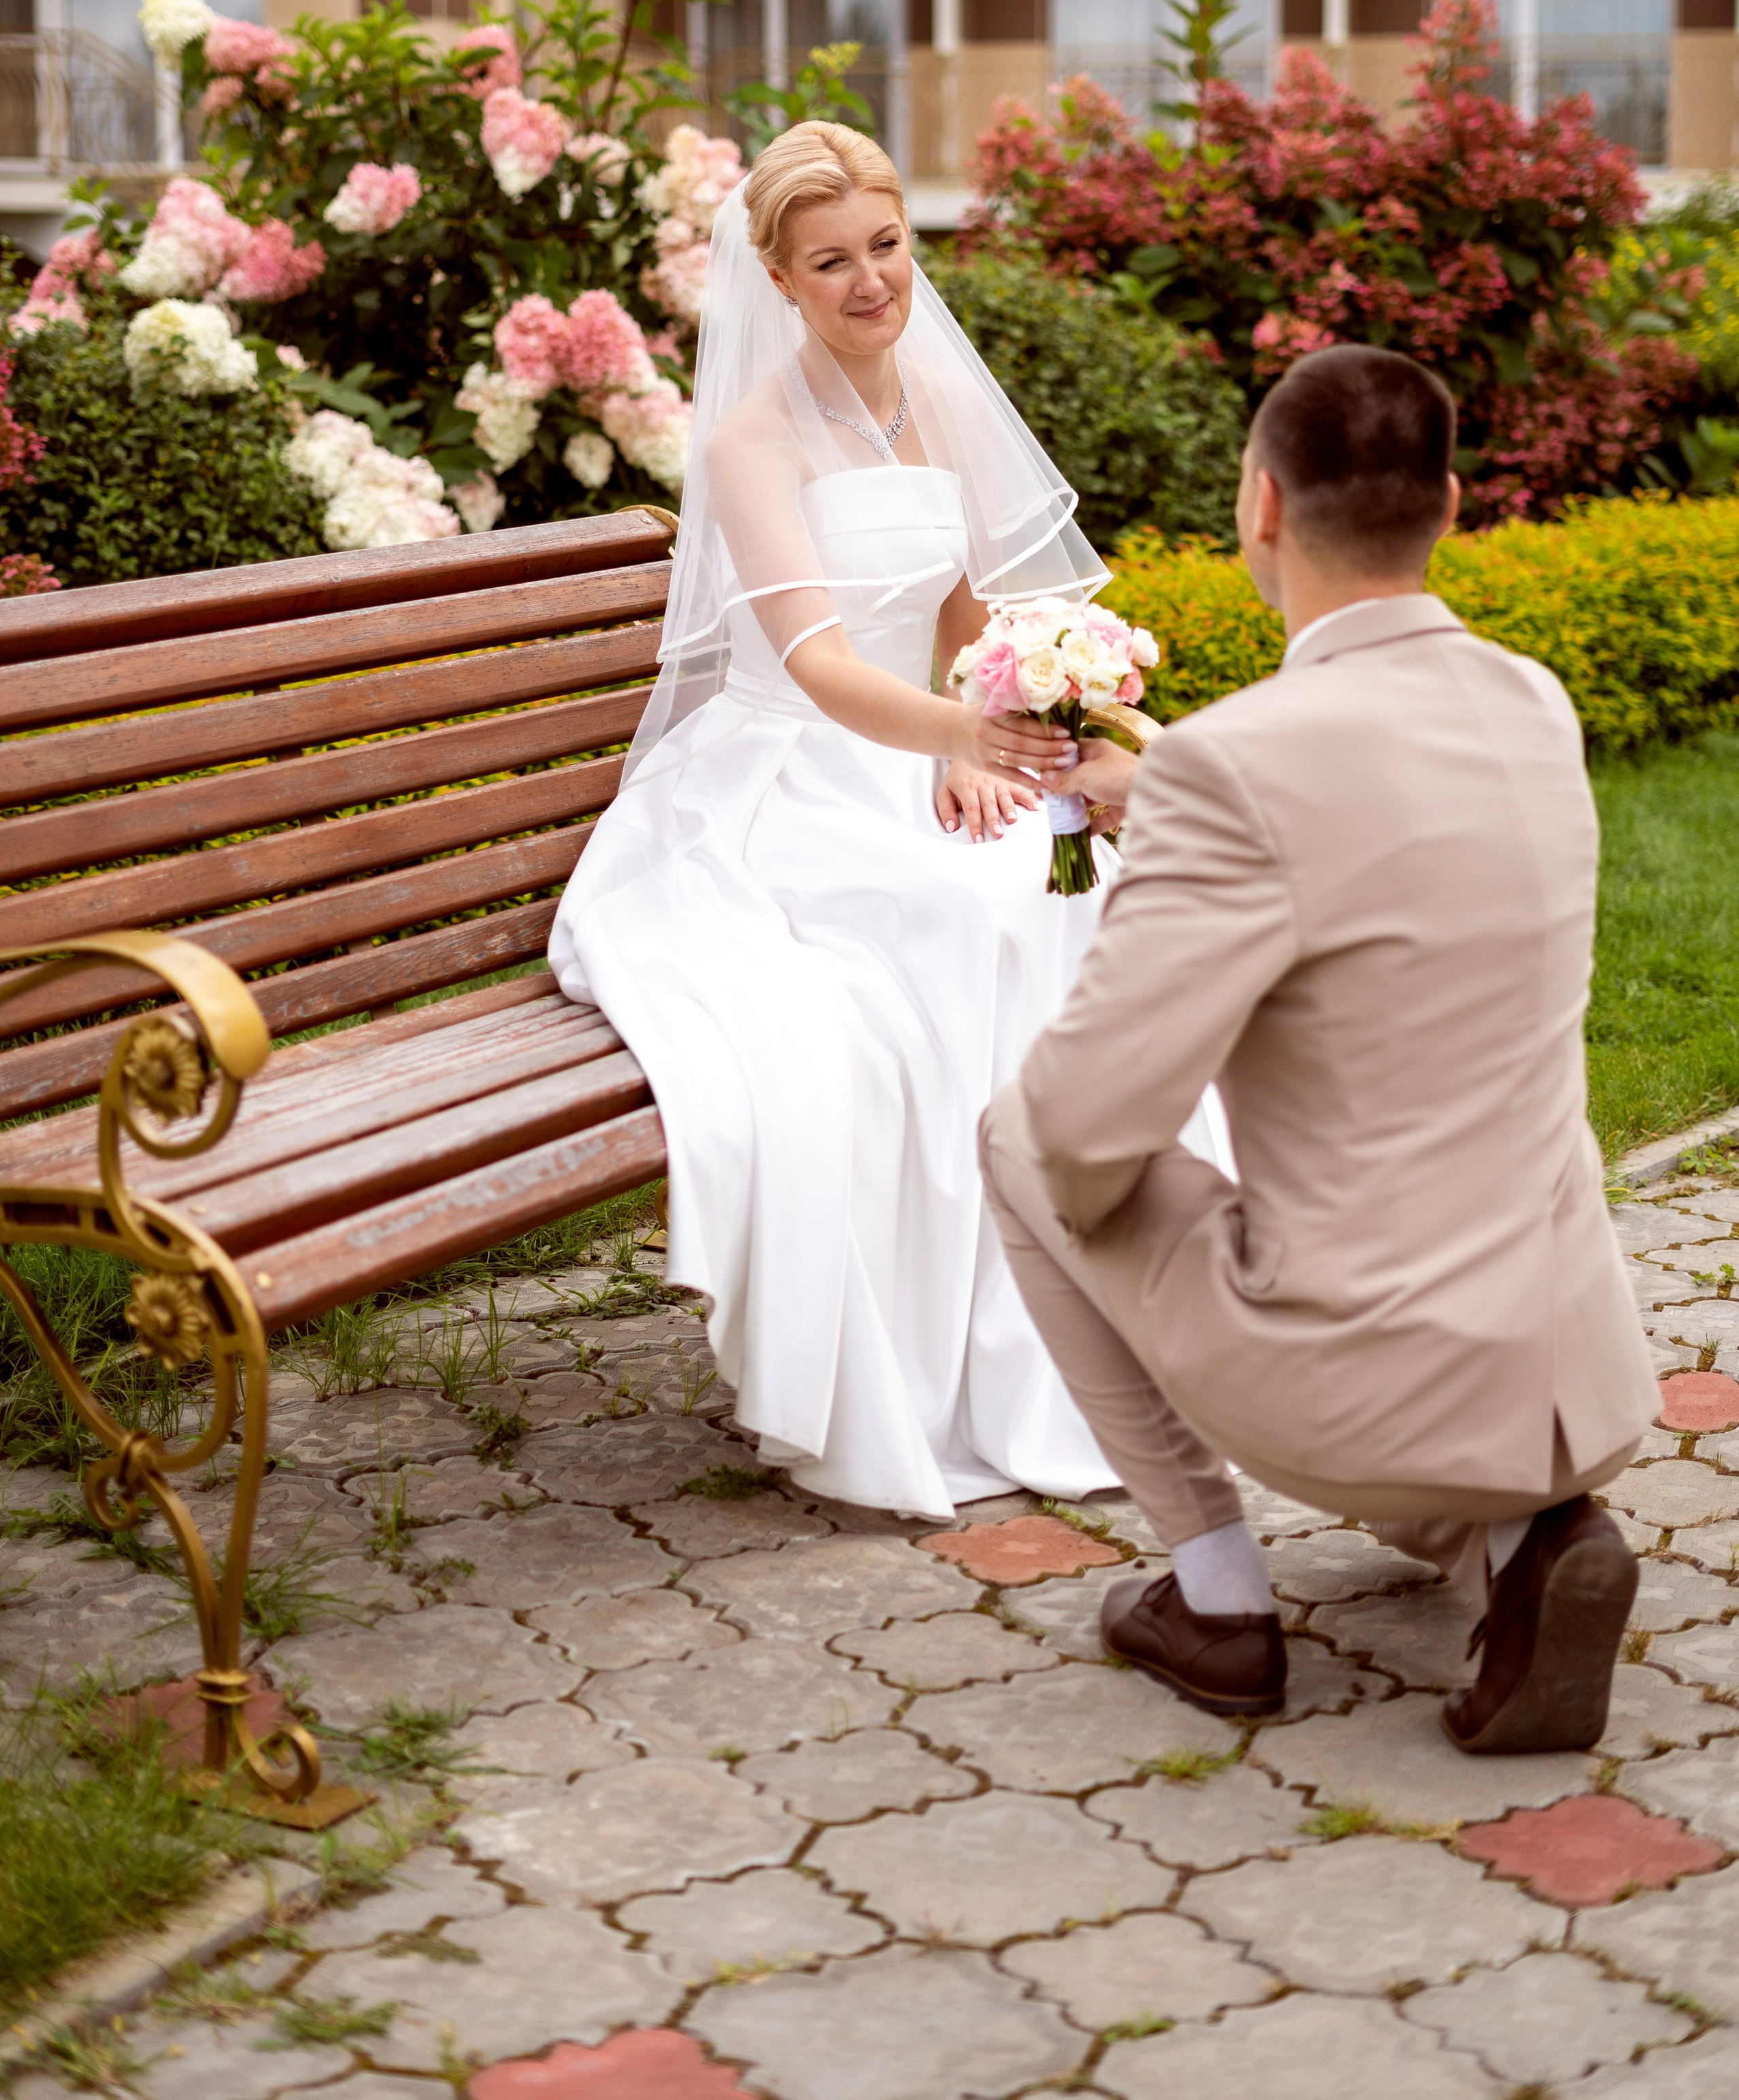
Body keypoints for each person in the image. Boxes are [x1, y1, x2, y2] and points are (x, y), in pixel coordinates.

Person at [978, 344, 1658, 1753]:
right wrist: (1158, 795)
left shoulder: (1237, 766)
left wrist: (1171, 824)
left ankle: (1215, 1595)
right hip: (1565, 1368)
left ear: (1260, 506)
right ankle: (1523, 1545)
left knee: (1015, 1134)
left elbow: (1088, 1126)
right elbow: (1369, 810)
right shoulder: (1533, 704)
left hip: (1359, 1374)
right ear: (1450, 506)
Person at [547, 121, 1231, 1520]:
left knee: (1076, 884)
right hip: (779, 777)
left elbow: (969, 623)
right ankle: (947, 1363)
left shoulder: (936, 401)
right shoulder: (750, 443)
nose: (869, 282)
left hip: (908, 745)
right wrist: (959, 736)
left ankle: (1142, 1316)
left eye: (886, 246)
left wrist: (986, 734)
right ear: (779, 281)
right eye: (829, 262)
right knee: (960, 916)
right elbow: (815, 666)